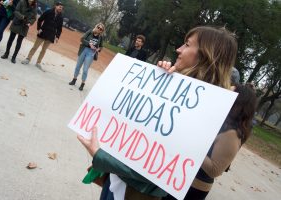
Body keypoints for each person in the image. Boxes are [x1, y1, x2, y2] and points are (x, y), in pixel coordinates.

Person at [77, 26, 238, 200]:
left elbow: (158, 169)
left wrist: (101, 155)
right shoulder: (174, 86)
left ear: (206, 55)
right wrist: (157, 82)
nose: (179, 49)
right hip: (115, 181)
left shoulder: (203, 115)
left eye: (187, 44)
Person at [21, 1, 63, 71]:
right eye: (60, 7)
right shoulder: (48, 12)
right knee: (35, 47)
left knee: (44, 50)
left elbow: (59, 28)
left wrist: (57, 36)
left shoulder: (61, 17)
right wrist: (39, 28)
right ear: (56, 6)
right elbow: (40, 20)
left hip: (51, 36)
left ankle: (38, 63)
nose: (60, 8)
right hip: (43, 32)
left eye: (61, 8)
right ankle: (28, 59)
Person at [68, 23, 104, 91]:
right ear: (96, 26)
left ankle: (82, 84)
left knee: (85, 69)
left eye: (101, 29)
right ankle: (74, 79)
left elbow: (101, 47)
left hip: (91, 53)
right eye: (98, 27)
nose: (99, 29)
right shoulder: (90, 32)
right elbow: (82, 39)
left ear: (102, 31)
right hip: (84, 50)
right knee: (78, 66)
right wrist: (89, 44)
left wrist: (98, 49)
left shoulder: (101, 37)